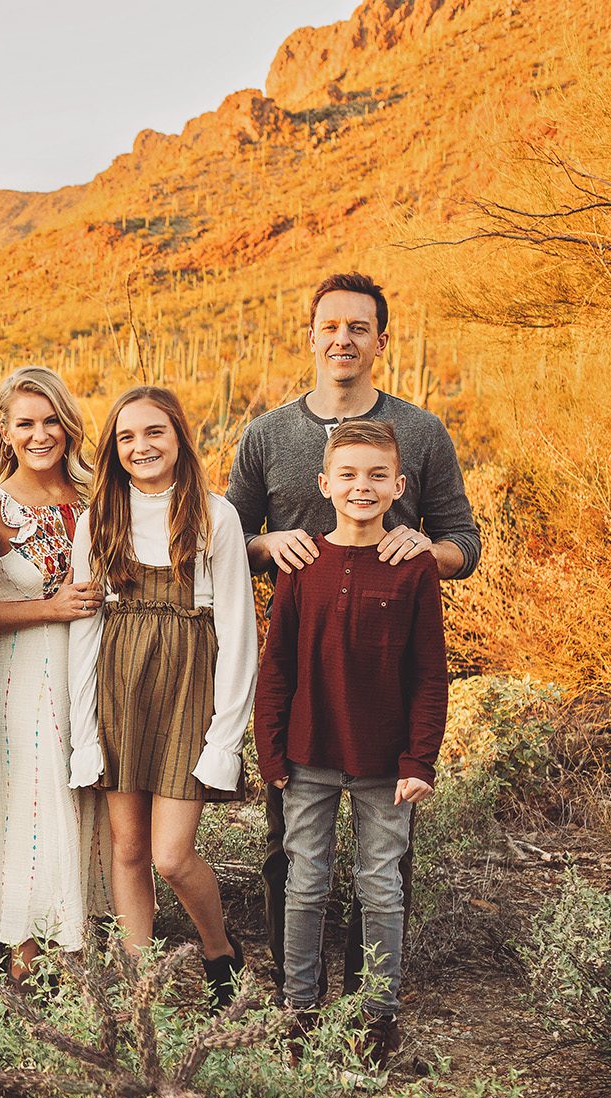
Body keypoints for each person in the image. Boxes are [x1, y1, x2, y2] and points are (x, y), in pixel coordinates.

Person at [225, 271, 480, 990]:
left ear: (381, 341)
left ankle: (370, 1005)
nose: (343, 339)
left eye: (358, 328)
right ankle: (295, 997)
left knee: (383, 865)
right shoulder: (267, 435)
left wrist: (429, 549)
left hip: (384, 678)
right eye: (330, 326)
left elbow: (464, 537)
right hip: (305, 676)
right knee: (292, 856)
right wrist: (267, 547)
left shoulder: (422, 432)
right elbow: (227, 536)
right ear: (311, 337)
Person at [254, 420, 448, 1066]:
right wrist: (272, 750)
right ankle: (300, 1013)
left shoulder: (414, 566)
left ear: (399, 485)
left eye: (375, 476)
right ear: (324, 483)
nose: (361, 487)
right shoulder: (304, 563)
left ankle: (376, 1020)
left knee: (380, 886)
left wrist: (420, 759)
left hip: (385, 764)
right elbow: (275, 664)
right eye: (348, 475)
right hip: (308, 756)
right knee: (305, 883)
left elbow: (429, 671)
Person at [69, 386, 256, 1008]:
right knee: (127, 847)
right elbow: (86, 627)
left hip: (187, 684)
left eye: (155, 433)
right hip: (120, 686)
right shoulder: (100, 516)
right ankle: (138, 984)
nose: (141, 447)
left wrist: (226, 736)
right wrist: (85, 730)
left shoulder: (213, 515)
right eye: (126, 437)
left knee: (171, 855)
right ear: (113, 449)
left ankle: (218, 950)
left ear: (178, 437)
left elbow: (235, 628)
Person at [0, 367, 107, 979]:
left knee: (87, 795)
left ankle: (83, 945)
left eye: (51, 421)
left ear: (68, 426)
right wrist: (50, 607)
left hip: (95, 667)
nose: (40, 434)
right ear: (6, 430)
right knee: (33, 797)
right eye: (26, 423)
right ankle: (27, 952)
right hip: (26, 672)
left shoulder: (99, 499)